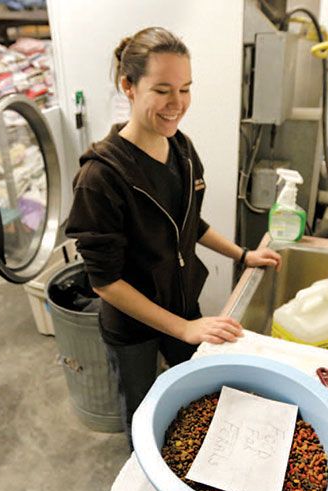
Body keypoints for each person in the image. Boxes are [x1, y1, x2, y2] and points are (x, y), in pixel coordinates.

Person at [65, 27, 282, 446]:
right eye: (162, 89)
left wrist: (243, 255)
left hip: (184, 305)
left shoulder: (180, 148)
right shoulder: (100, 178)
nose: (177, 104)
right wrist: (182, 329)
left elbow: (190, 223)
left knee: (193, 405)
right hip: (134, 326)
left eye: (185, 89)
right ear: (128, 86)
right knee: (145, 416)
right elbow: (105, 281)